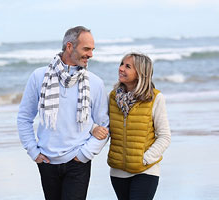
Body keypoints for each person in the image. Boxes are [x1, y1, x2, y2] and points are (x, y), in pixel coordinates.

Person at [17, 26, 109, 200]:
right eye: (86, 49)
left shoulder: (95, 83)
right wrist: (33, 151)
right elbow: (24, 117)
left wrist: (85, 155)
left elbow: (104, 125)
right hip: (47, 161)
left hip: (78, 162)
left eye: (92, 50)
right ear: (69, 47)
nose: (91, 55)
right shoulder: (39, 76)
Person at [104, 52, 171, 200]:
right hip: (118, 172)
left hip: (145, 171)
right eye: (121, 64)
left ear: (141, 73)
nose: (121, 68)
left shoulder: (155, 98)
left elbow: (165, 136)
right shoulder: (113, 97)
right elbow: (105, 129)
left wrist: (145, 159)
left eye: (128, 66)